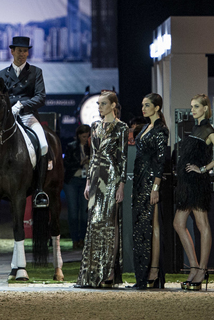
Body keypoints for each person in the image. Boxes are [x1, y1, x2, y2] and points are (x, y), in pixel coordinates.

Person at [0, 36, 49, 208]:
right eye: (19, 51)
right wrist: (8, 109)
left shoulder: (36, 72)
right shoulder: (2, 74)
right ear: (12, 51)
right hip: (6, 118)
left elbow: (41, 97)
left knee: (43, 145)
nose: (22, 54)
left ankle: (39, 190)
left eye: (25, 51)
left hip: (27, 115)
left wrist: (21, 105)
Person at [173, 94, 214, 291]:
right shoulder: (195, 128)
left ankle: (201, 269)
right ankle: (195, 266)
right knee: (178, 224)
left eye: (196, 106)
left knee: (201, 224)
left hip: (197, 182)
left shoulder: (207, 129)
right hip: (186, 183)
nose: (192, 109)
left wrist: (203, 169)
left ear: (205, 108)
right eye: (191, 106)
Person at [75, 90, 128, 288]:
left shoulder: (121, 128)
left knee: (110, 224)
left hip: (112, 178)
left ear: (113, 105)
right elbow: (93, 155)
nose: (99, 107)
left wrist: (121, 185)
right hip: (96, 178)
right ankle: (92, 272)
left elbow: (123, 158)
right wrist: (88, 182)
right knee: (95, 223)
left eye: (103, 104)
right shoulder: (95, 126)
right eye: (98, 104)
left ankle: (110, 272)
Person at [130, 93, 169, 289]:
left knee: (152, 226)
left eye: (147, 105)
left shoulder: (161, 130)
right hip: (139, 182)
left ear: (157, 107)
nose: (143, 109)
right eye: (142, 105)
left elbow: (160, 162)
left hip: (150, 184)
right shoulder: (146, 127)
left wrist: (155, 187)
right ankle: (143, 274)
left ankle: (153, 272)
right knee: (140, 229)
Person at [63, 125, 91, 249]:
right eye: (84, 136)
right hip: (72, 181)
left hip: (86, 181)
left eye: (88, 136)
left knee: (85, 213)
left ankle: (82, 239)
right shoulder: (71, 146)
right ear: (79, 136)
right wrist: (80, 162)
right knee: (73, 212)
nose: (86, 138)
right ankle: (75, 239)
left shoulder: (91, 147)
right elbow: (66, 164)